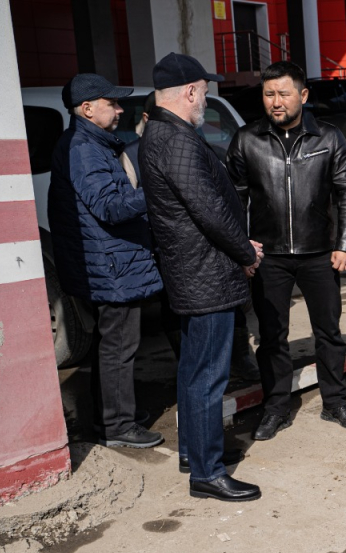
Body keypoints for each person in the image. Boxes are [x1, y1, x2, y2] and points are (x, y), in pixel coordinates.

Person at [139, 52, 263, 502]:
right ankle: (209, 472)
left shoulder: (160, 133)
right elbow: (208, 211)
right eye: (204, 94)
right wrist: (245, 250)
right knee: (208, 375)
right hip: (205, 274)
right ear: (190, 91)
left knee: (193, 372)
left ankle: (193, 453)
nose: (204, 102)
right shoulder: (176, 140)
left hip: (194, 273)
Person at [226, 61, 346, 441]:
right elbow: (232, 199)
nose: (276, 101)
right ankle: (276, 408)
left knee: (329, 331)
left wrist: (345, 244)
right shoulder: (247, 139)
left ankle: (335, 401)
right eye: (269, 94)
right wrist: (243, 249)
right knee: (271, 336)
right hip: (268, 257)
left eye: (283, 93)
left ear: (302, 95)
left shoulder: (329, 138)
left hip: (320, 253)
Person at [48, 73, 164, 449]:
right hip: (110, 267)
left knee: (110, 344)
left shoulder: (91, 143)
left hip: (109, 264)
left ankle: (110, 417)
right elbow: (110, 207)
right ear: (86, 109)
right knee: (118, 347)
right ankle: (117, 427)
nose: (118, 109)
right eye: (111, 103)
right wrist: (154, 192)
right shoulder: (84, 148)